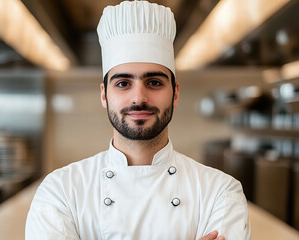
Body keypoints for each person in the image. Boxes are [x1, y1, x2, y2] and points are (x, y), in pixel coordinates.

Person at [25, 1, 250, 239]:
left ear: (175, 93)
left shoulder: (220, 192)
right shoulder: (61, 191)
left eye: (154, 82)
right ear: (104, 94)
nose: (139, 98)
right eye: (123, 83)